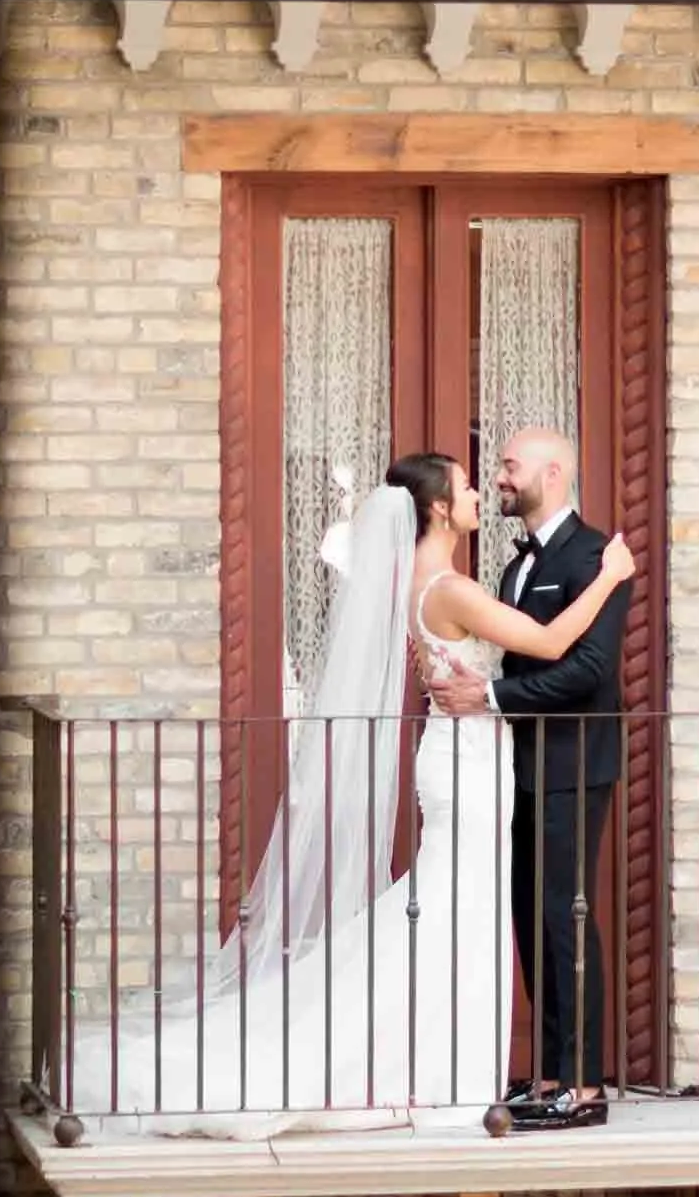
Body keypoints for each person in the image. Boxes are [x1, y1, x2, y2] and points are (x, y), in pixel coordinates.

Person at [68, 452, 633, 1134]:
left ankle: (450, 1073)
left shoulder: (422, 580)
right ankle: (438, 1075)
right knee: (460, 907)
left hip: (466, 754)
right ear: (436, 510)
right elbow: (546, 640)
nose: (479, 491)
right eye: (465, 486)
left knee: (457, 909)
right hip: (468, 761)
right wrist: (608, 580)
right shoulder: (448, 587)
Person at [427, 428, 630, 1130]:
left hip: (573, 763)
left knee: (565, 915)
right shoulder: (513, 567)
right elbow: (521, 658)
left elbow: (585, 671)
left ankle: (584, 1087)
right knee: (530, 916)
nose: (500, 477)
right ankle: (547, 1076)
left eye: (510, 467)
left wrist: (487, 699)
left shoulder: (594, 555)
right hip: (517, 764)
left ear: (553, 471)